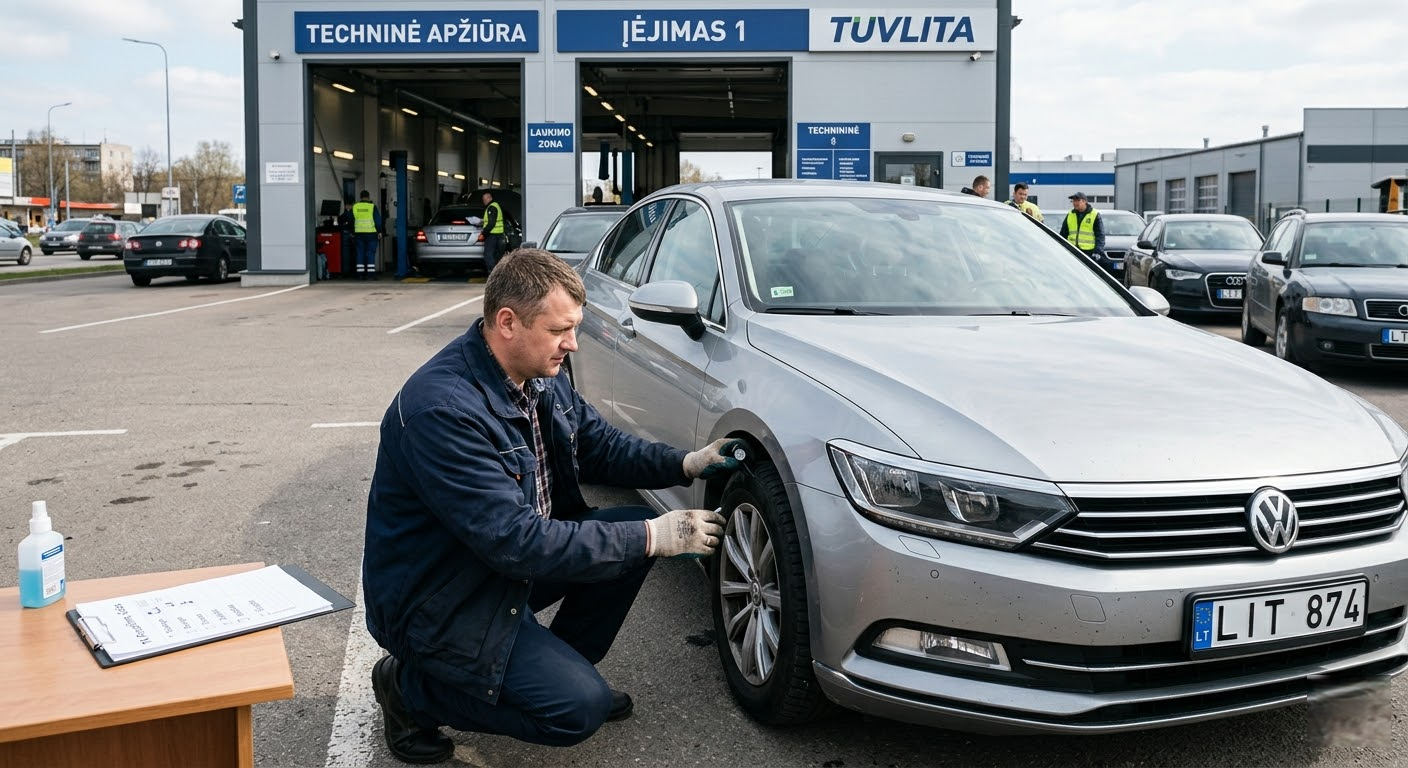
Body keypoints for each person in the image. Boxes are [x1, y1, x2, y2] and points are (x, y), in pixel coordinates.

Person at [363, 247, 740, 763]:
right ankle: (409, 690)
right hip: (442, 600)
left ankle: (559, 670)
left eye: (575, 327)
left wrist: (688, 464)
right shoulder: (443, 410)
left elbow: (601, 447)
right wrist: (659, 536)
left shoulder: (541, 376)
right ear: (507, 322)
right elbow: (514, 541)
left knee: (633, 528)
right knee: (574, 710)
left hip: (497, 569)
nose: (574, 345)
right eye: (560, 329)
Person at [1059, 191, 1105, 261]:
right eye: (1073, 201)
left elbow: (1100, 235)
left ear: (1084, 201)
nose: (1075, 203)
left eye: (1077, 200)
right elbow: (1063, 234)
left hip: (1089, 253)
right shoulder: (1070, 214)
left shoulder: (1094, 214)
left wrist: (1098, 252)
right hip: (1072, 251)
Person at [352, 190, 384, 280]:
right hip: (371, 234)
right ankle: (370, 275)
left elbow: (350, 220)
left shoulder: (355, 207)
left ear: (360, 197)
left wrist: (352, 232)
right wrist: (380, 231)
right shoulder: (372, 207)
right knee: (370, 254)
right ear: (368, 197)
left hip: (358, 234)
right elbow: (377, 221)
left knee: (360, 253)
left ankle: (360, 275)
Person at [480, 190, 507, 273]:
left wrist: (483, 234)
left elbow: (491, 223)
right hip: (499, 235)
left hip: (492, 236)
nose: (484, 202)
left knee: (489, 255)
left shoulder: (491, 207)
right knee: (497, 256)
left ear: (489, 198)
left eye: (485, 200)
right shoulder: (496, 206)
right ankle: (499, 273)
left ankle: (493, 273)